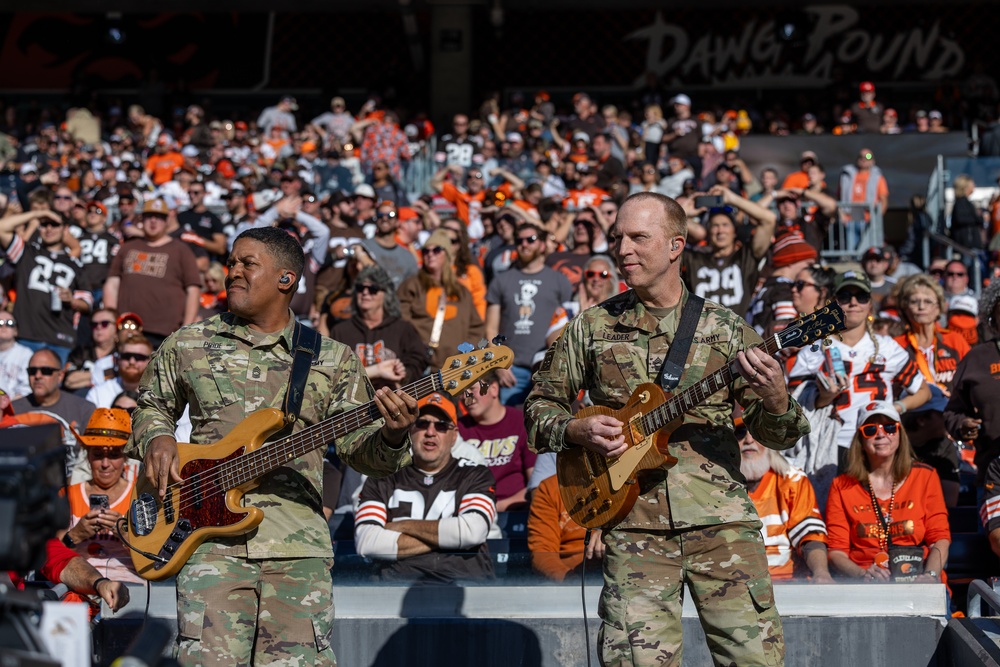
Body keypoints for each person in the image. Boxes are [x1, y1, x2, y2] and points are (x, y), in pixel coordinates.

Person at [525, 192, 810, 666]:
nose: (623, 249)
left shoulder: (725, 328)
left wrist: (777, 397)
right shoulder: (592, 326)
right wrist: (577, 430)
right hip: (633, 526)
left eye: (639, 237)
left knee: (754, 660)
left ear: (676, 245)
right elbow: (538, 408)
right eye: (617, 238)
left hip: (721, 526)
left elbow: (780, 433)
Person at [128, 226, 417, 666]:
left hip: (297, 549)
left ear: (286, 279)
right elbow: (151, 404)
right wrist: (158, 435)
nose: (233, 273)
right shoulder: (187, 343)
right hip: (208, 545)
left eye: (248, 264)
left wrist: (393, 433)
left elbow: (363, 453)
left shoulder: (332, 357)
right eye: (231, 263)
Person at [355, 393, 497, 583]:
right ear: (410, 429)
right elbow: (367, 543)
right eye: (422, 424)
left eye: (441, 426)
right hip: (392, 591)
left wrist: (402, 526)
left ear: (454, 436)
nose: (431, 432)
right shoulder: (382, 476)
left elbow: (472, 532)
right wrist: (451, 538)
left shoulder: (475, 474)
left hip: (466, 588)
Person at [825, 402, 950, 583]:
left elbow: (940, 539)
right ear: (860, 440)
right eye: (870, 430)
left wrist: (929, 576)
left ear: (900, 435)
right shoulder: (842, 486)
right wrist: (863, 574)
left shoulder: (925, 476)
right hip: (867, 585)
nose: (881, 434)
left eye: (890, 428)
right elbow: (837, 552)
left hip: (919, 578)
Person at [737, 416, 833, 583]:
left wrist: (821, 573)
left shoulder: (792, 479)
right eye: (740, 432)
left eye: (757, 432)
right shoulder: (715, 484)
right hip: (735, 588)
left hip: (789, 582)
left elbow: (810, 537)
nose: (749, 440)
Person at [486, 223, 572, 406]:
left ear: (542, 245)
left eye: (530, 239)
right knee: (513, 430)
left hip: (547, 368)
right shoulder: (501, 280)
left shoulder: (560, 281)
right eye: (519, 240)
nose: (524, 244)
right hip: (512, 370)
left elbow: (568, 325)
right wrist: (498, 364)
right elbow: (491, 328)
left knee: (546, 428)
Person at [103, 199, 202, 348]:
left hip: (166, 333)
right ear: (142, 219)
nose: (154, 221)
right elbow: (112, 284)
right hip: (129, 328)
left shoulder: (181, 250)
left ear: (167, 220)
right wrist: (112, 321)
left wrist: (185, 329)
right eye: (149, 216)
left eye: (159, 217)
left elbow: (193, 290)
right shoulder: (128, 247)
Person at [60, 407, 142, 582]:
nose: (105, 464)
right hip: (78, 588)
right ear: (88, 455)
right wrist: (75, 535)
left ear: (126, 457)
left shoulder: (141, 498)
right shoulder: (67, 496)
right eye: (98, 454)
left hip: (133, 592)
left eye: (114, 455)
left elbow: (157, 561)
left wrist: (124, 534)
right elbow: (47, 559)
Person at [0, 208, 92, 362]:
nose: (49, 229)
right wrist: (36, 214)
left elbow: (87, 303)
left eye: (54, 224)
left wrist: (72, 300)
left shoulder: (76, 264)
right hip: (26, 336)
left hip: (60, 340)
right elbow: (2, 228)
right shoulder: (27, 253)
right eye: (44, 224)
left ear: (65, 229)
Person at [398, 229, 484, 373]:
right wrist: (416, 348)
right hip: (420, 365)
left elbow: (476, 329)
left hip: (454, 368)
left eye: (437, 250)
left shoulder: (462, 292)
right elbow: (401, 321)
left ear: (448, 255)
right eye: (425, 251)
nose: (430, 254)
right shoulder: (412, 285)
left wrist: (463, 356)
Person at [328, 265, 427, 391]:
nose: (365, 292)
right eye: (360, 288)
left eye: (373, 289)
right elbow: (331, 372)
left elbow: (418, 360)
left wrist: (404, 372)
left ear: (386, 294)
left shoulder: (402, 329)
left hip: (391, 398)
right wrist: (377, 371)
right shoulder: (340, 331)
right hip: (351, 403)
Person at [943, 280, 1000, 489]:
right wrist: (963, 425)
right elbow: (953, 413)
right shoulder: (976, 359)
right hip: (993, 477)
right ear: (993, 318)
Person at [458, 372, 536, 512]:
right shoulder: (457, 429)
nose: (465, 397)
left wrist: (495, 507)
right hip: (468, 515)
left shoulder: (521, 422)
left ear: (494, 389)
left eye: (472, 389)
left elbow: (537, 485)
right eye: (461, 392)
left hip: (515, 513)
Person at [893, 274, 970, 395]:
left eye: (928, 301)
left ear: (938, 308)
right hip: (913, 412)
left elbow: (972, 379)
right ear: (905, 307)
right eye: (914, 302)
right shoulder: (896, 346)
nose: (921, 307)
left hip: (953, 410)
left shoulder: (955, 341)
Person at [527, 473, 604, 582]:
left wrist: (612, 536)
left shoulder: (627, 482)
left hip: (621, 573)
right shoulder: (550, 487)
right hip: (568, 580)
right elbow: (542, 553)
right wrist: (571, 581)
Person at [85, 333, 153, 408]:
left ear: (150, 361)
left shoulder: (161, 395)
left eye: (139, 357)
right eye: (126, 356)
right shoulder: (98, 394)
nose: (132, 362)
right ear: (117, 360)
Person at [0, 312, 31, 398]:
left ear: (16, 331)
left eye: (10, 323)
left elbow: (27, 388)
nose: (4, 327)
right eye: (0, 323)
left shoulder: (26, 354)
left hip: (15, 406)